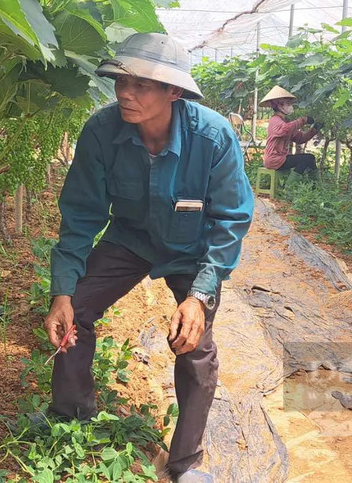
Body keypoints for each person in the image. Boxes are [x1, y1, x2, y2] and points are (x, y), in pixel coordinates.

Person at [43, 33, 255, 483]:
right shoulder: (102, 131)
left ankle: (185, 464)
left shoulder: (213, 136)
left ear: (174, 92)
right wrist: (61, 290)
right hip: (130, 238)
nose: (125, 93)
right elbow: (82, 214)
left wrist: (199, 295)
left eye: (141, 85)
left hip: (192, 249)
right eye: (122, 81)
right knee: (75, 309)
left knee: (195, 343)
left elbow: (231, 218)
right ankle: (71, 416)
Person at [261, 86, 320, 173]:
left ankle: (313, 184)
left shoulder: (284, 121)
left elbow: (300, 138)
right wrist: (303, 120)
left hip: (282, 158)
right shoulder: (275, 120)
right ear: (280, 106)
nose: (290, 106)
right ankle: (292, 185)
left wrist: (315, 129)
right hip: (274, 160)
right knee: (307, 159)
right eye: (288, 104)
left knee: (310, 158)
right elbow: (286, 129)